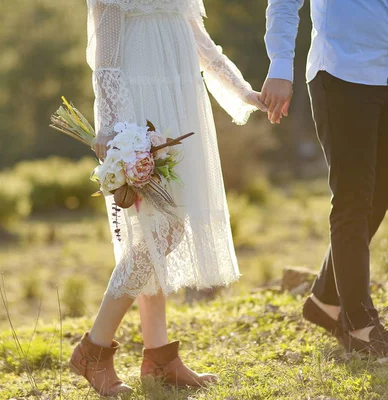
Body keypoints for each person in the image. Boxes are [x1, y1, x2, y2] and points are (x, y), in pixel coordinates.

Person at [69, 0, 266, 396]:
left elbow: (201, 44)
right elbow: (106, 60)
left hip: (179, 108)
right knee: (162, 232)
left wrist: (243, 91)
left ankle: (159, 357)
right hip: (139, 114)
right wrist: (111, 128)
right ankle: (93, 349)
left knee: (159, 233)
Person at [262, 0, 388, 356]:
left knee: (383, 191)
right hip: (341, 72)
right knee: (353, 197)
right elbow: (284, 3)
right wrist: (280, 65)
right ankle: (359, 323)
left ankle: (326, 300)